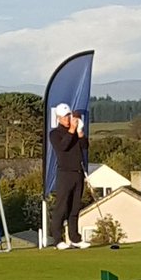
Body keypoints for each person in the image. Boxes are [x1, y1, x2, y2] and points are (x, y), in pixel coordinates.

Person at [48, 103, 91, 250]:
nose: (68, 119)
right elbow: (63, 147)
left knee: (75, 208)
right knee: (61, 207)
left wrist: (80, 133)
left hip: (78, 172)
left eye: (69, 116)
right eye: (65, 117)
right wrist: (72, 130)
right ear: (59, 118)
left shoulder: (73, 132)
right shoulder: (55, 134)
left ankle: (75, 238)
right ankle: (58, 240)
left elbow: (85, 146)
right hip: (65, 174)